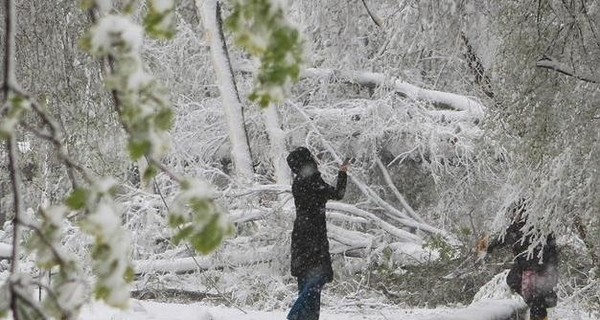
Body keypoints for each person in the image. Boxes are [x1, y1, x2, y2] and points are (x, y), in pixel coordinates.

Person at [286, 147, 348, 320]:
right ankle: (294, 316)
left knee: (307, 283)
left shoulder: (299, 182)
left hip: (301, 238)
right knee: (315, 281)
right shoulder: (313, 182)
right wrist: (342, 174)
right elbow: (338, 194)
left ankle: (301, 317)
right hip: (314, 239)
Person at [485, 200, 559, 320]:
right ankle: (536, 307)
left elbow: (551, 249)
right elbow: (502, 239)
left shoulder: (538, 226)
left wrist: (549, 269)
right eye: (512, 214)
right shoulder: (514, 228)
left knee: (537, 302)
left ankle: (538, 311)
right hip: (525, 269)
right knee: (517, 284)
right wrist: (489, 247)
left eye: (515, 213)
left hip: (540, 269)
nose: (512, 216)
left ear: (523, 212)